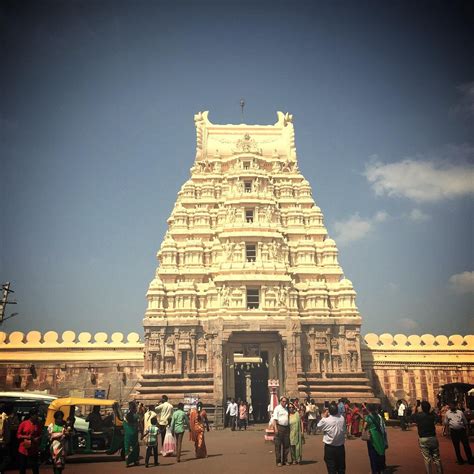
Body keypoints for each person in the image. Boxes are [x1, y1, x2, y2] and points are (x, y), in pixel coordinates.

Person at [412, 400, 443, 474]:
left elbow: (411, 417)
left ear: (422, 408)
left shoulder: (419, 416)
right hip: (433, 438)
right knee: (437, 458)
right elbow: (438, 419)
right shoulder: (431, 415)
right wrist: (432, 411)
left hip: (423, 439)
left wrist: (414, 408)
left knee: (427, 459)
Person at [317, 402, 346, 474]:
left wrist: (324, 416)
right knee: (341, 468)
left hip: (330, 448)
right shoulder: (342, 418)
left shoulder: (326, 420)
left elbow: (319, 426)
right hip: (340, 447)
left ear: (329, 411)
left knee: (331, 468)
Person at [444, 401, 473, 465]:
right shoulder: (447, 413)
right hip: (453, 432)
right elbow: (446, 424)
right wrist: (447, 432)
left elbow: (465, 422)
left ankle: (470, 459)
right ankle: (460, 460)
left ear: (455, 405)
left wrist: (467, 431)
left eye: (452, 405)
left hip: (462, 431)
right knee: (456, 446)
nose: (451, 406)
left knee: (466, 445)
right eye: (450, 405)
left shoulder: (460, 412)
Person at [363, 404, 387, 474]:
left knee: (372, 454)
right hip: (378, 435)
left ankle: (374, 470)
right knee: (378, 452)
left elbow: (364, 427)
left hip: (371, 437)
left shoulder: (368, 417)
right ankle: (380, 469)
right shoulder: (378, 417)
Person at [17, 407, 42, 474]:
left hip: (33, 448)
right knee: (22, 467)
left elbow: (40, 434)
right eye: (36, 415)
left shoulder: (38, 424)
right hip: (23, 449)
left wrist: (38, 438)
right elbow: (18, 435)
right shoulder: (24, 423)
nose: (37, 416)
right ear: (31, 415)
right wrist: (27, 437)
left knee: (35, 468)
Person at [272, 396, 290, 467]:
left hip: (286, 428)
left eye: (285, 401)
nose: (284, 402)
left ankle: (285, 460)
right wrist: (275, 429)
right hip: (279, 427)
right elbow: (274, 419)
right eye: (283, 401)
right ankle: (278, 461)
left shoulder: (287, 409)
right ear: (280, 401)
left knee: (286, 445)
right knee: (278, 445)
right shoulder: (277, 408)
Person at [123, 401, 140, 467]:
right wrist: (142, 433)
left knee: (127, 447)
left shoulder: (125, 416)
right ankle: (136, 460)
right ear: (134, 408)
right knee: (135, 447)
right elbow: (139, 425)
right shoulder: (136, 416)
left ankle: (127, 461)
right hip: (134, 434)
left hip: (127, 434)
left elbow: (123, 424)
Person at [0, 403, 13, 474]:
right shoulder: (3, 418)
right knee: (6, 459)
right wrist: (3, 441)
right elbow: (2, 430)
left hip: (3, 442)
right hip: (3, 443)